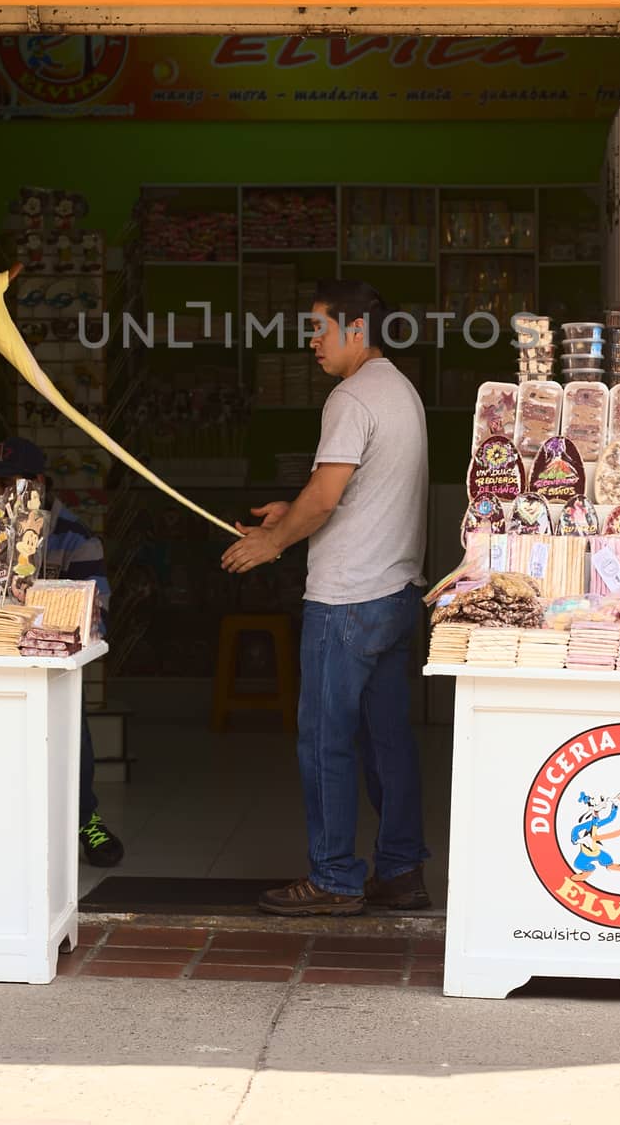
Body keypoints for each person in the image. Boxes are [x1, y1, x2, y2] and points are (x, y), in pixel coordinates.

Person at [221, 280, 430, 916]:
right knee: (387, 742)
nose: (313, 341)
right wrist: (292, 514)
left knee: (326, 741)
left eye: (321, 328)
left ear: (357, 330)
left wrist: (271, 542)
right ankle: (400, 871)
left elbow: (326, 496)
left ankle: (335, 877)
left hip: (346, 603)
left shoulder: (350, 396)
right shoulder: (399, 390)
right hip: (395, 593)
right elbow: (353, 492)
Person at [0, 437, 125, 868]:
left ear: (40, 484)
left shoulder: (75, 536)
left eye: (13, 483)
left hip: (53, 658)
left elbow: (95, 607)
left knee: (69, 735)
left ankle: (85, 820)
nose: (3, 493)